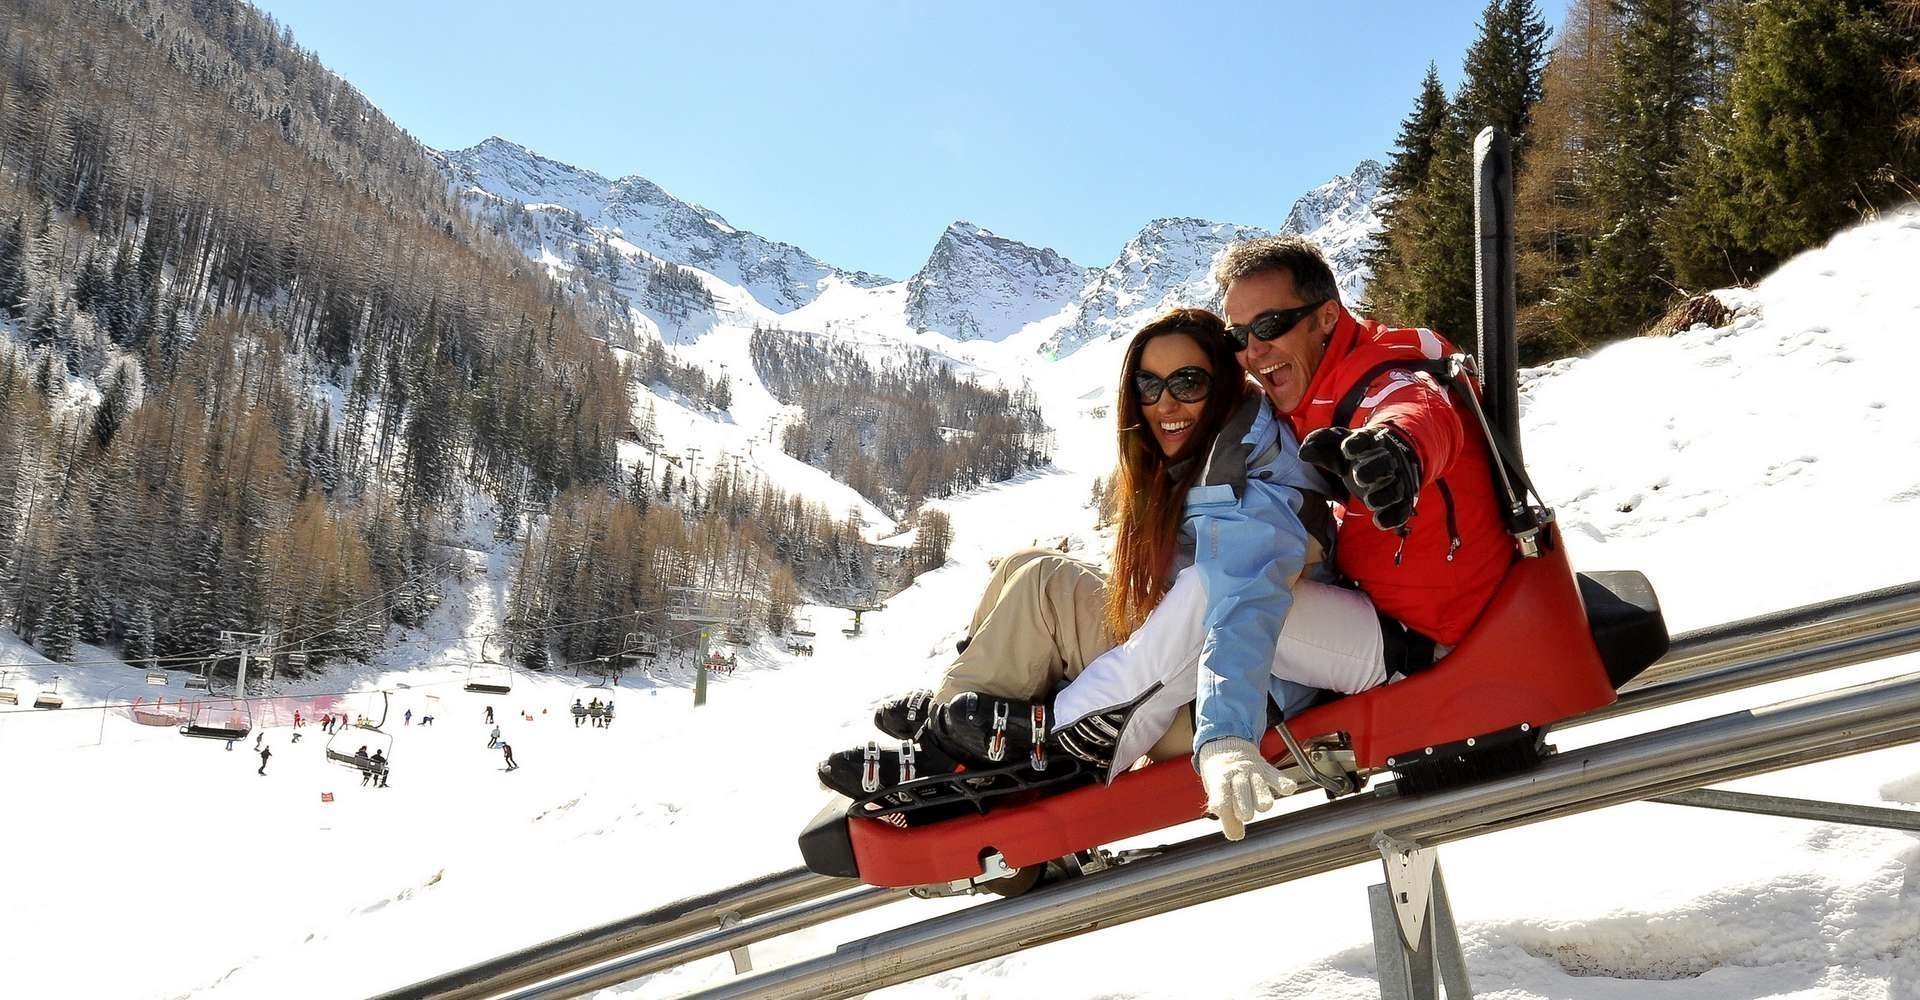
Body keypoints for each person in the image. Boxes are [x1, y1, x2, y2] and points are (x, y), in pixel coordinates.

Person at [818, 309, 1386, 826]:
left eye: (1188, 383)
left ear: (1224, 384)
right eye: (1149, 385)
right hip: (1185, 662)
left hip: (1233, 695)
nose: (1166, 403)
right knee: (1030, 563)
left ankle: (950, 761)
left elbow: (1240, 612)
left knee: (1045, 586)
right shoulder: (1210, 455)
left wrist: (1226, 737)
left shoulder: (1242, 481)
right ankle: (956, 721)